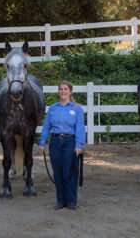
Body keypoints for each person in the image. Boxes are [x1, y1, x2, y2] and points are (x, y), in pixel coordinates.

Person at [39, 81, 85, 210]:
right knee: (58, 171)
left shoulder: (77, 109)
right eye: (61, 89)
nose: (63, 91)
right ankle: (60, 200)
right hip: (55, 142)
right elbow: (46, 126)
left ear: (70, 92)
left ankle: (71, 201)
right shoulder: (53, 108)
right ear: (58, 91)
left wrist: (79, 145)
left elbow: (80, 128)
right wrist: (42, 141)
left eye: (65, 89)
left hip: (70, 142)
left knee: (69, 171)